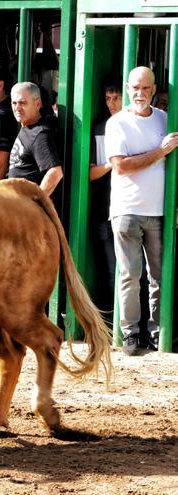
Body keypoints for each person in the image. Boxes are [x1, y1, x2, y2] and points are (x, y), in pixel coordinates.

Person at [106, 67, 178, 355]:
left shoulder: (164, 119)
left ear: (154, 90)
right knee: (130, 274)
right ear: (127, 88)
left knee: (160, 276)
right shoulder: (118, 123)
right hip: (126, 209)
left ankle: (159, 332)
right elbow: (120, 166)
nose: (140, 93)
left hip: (159, 210)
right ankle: (132, 334)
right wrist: (160, 151)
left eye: (145, 88)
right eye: (135, 88)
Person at [88, 82, 122, 307]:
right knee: (113, 272)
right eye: (108, 98)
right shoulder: (100, 129)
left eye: (116, 97)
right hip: (105, 209)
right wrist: (114, 163)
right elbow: (90, 173)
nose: (111, 103)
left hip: (135, 208)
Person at [7, 82, 63, 196]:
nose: (17, 107)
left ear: (37, 104)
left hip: (30, 211)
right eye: (14, 103)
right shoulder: (28, 127)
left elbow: (55, 173)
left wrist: (36, 202)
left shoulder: (40, 133)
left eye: (22, 103)